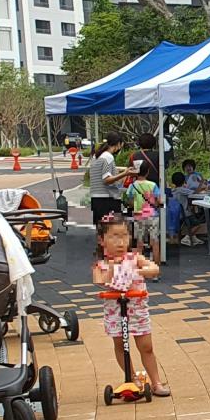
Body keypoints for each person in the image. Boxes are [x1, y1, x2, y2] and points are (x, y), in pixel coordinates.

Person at [93, 215, 169, 396]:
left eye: (124, 236)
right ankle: (132, 377)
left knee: (146, 346)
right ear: (102, 240)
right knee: (120, 346)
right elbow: (99, 279)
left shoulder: (134, 258)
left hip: (137, 311)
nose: (120, 242)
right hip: (115, 313)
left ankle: (156, 382)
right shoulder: (102, 264)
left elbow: (154, 269)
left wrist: (139, 270)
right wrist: (113, 271)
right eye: (113, 236)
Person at [87, 133, 131, 224]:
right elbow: (107, 179)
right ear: (118, 144)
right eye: (120, 146)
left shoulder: (97, 156)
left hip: (96, 198)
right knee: (111, 232)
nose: (120, 149)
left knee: (101, 232)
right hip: (108, 199)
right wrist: (125, 173)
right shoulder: (108, 156)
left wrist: (120, 170)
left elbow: (99, 174)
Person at [124, 160, 163, 254]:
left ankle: (140, 264)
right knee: (155, 240)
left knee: (139, 241)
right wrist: (157, 205)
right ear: (148, 171)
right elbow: (159, 200)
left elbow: (129, 201)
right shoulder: (153, 185)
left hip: (139, 215)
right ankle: (157, 263)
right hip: (152, 215)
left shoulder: (132, 186)